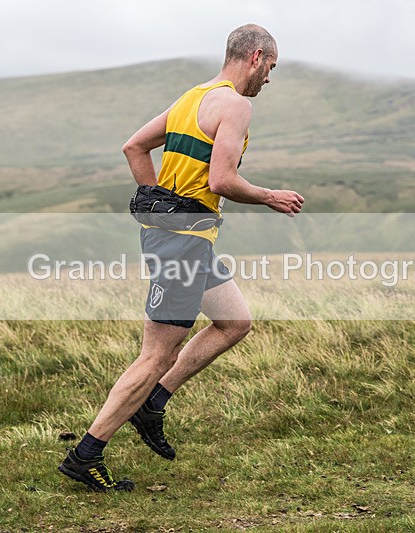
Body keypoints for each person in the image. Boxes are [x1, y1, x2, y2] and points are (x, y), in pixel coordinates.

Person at [59, 23, 304, 492]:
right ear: (255, 57)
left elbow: (134, 147)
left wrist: (159, 203)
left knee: (235, 322)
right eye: (271, 67)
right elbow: (221, 181)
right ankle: (85, 455)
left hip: (186, 239)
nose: (269, 77)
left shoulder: (191, 98)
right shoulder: (236, 104)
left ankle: (153, 403)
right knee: (156, 355)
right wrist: (269, 195)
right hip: (182, 243)